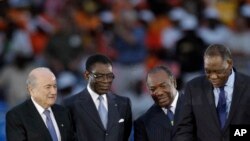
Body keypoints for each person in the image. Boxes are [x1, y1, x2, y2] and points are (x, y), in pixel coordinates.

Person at [173, 44, 250, 141]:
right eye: (208, 71)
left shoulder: (247, 86)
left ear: (229, 64)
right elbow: (184, 128)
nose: (213, 77)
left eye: (218, 71)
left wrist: (235, 135)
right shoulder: (193, 87)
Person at [64, 54, 132, 141]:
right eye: (99, 76)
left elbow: (125, 136)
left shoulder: (123, 103)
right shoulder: (71, 104)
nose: (106, 81)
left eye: (109, 76)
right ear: (87, 75)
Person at [6, 67, 75, 141]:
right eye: (48, 87)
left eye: (55, 86)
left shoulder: (63, 112)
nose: (53, 92)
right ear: (32, 90)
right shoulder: (16, 116)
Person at [134, 65, 184, 141]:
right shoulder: (143, 123)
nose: (159, 92)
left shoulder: (198, 108)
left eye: (163, 86)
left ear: (174, 82)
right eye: (153, 89)